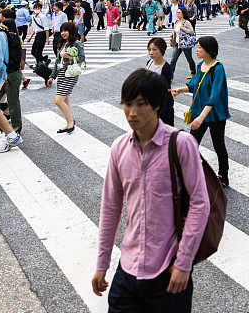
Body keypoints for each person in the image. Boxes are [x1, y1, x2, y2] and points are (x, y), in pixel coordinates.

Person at [92, 69, 210, 311]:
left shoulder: (181, 144)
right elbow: (111, 207)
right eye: (128, 104)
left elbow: (200, 203)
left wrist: (184, 263)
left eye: (141, 104)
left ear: (157, 105)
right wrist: (102, 263)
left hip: (168, 271)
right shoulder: (119, 148)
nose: (132, 113)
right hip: (127, 270)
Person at [172, 36, 230, 187]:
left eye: (199, 47)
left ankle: (223, 177)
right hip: (200, 112)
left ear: (208, 50)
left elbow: (214, 96)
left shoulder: (218, 68)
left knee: (218, 145)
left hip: (215, 114)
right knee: (192, 144)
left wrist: (201, 118)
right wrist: (180, 90)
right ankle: (191, 174)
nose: (196, 50)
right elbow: (193, 85)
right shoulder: (200, 66)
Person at [0, 7, 23, 153]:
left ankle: (15, 130)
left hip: (5, 76)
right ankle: (6, 130)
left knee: (12, 101)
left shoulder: (4, 36)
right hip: (4, 76)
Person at [46, 21, 85, 133]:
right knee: (66, 101)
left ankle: (70, 122)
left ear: (71, 31)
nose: (63, 33)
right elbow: (57, 61)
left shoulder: (77, 43)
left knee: (58, 100)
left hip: (71, 74)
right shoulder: (62, 44)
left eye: (65, 31)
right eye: (62, 31)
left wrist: (70, 57)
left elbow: (82, 58)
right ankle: (69, 123)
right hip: (62, 73)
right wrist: (52, 76)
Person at [146, 37, 174, 126]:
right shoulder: (149, 62)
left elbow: (165, 89)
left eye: (154, 49)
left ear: (162, 50)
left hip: (163, 106)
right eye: (149, 49)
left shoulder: (166, 68)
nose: (151, 52)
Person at [169, 8, 196, 79]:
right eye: (177, 12)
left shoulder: (186, 22)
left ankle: (193, 72)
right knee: (173, 60)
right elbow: (174, 32)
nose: (177, 14)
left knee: (189, 59)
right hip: (177, 44)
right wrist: (171, 40)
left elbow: (191, 31)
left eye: (179, 12)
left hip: (185, 44)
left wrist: (183, 28)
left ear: (183, 14)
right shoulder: (176, 22)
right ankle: (170, 76)